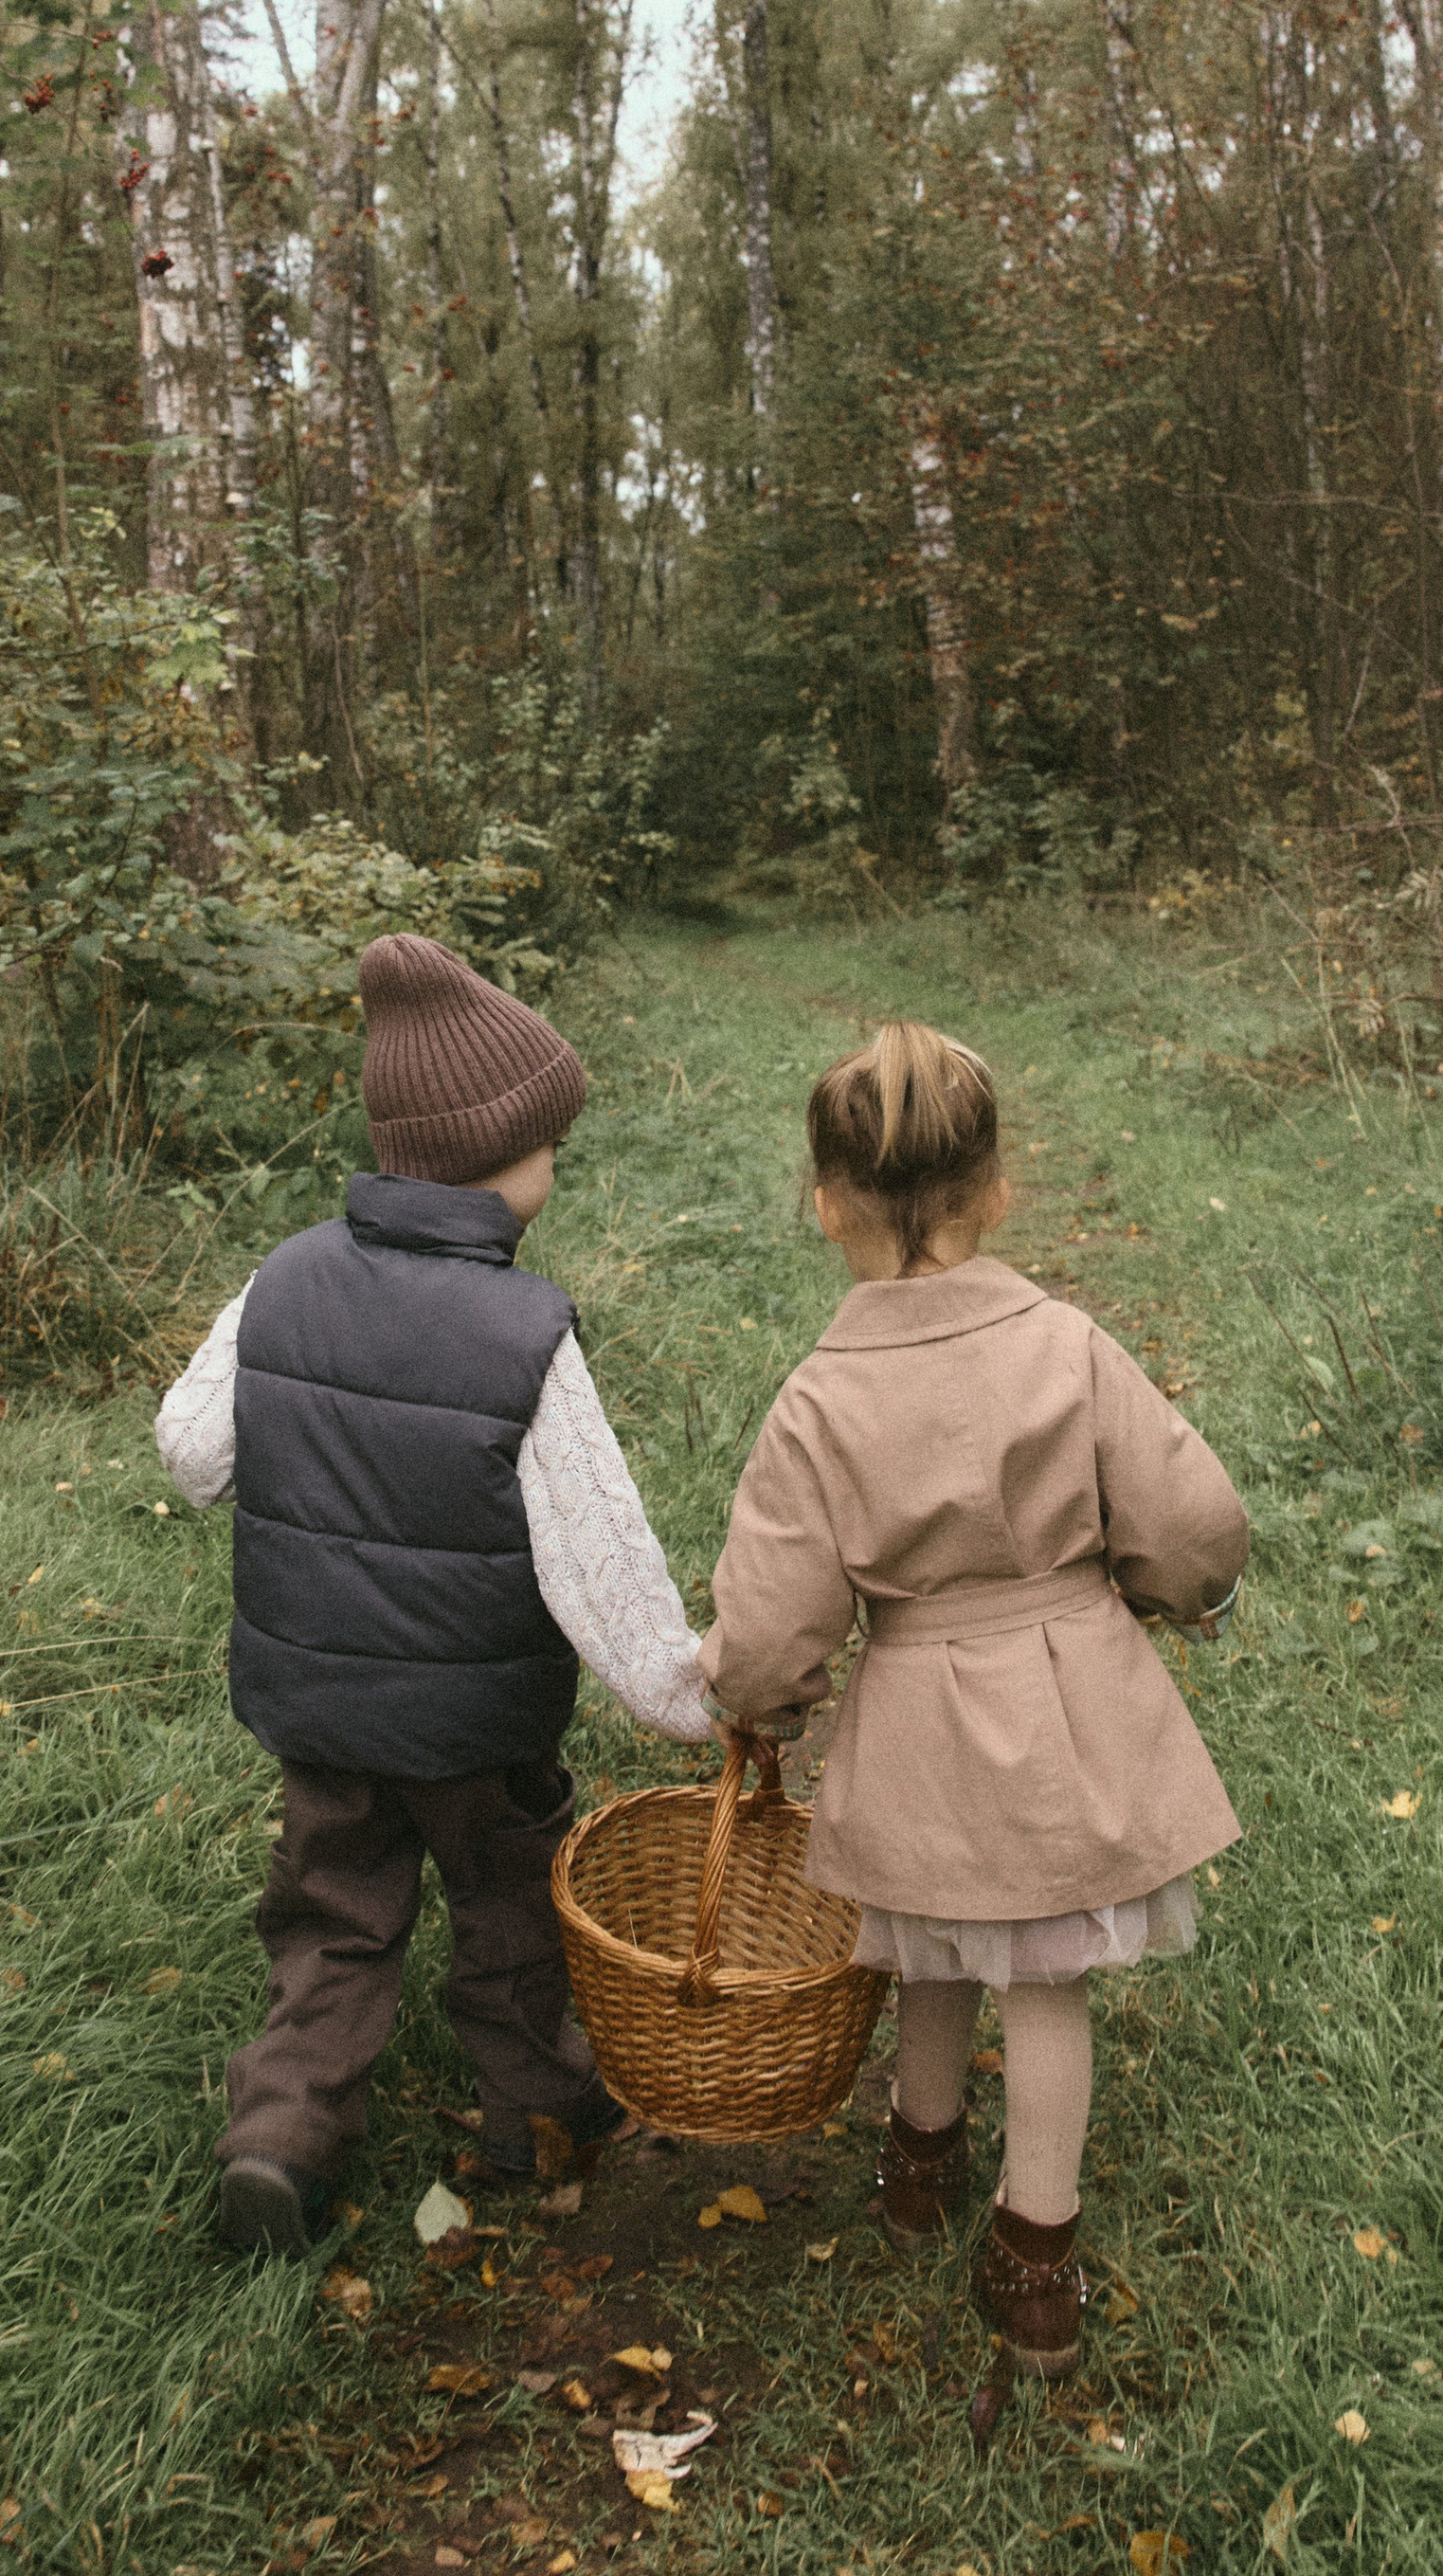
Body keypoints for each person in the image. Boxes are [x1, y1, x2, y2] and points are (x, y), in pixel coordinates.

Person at [698, 1022, 1246, 2405]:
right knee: (1045, 1972)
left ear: (824, 1205)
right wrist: (1181, 1589)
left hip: (921, 1712)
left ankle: (919, 2159)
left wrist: (761, 1700)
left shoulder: (822, 1399)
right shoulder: (1066, 1343)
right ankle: (1038, 2255)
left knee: (930, 1932)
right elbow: (1190, 1517)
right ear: (997, 1189)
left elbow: (772, 1611)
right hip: (1067, 1703)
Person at [156, 933, 712, 2255]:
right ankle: (541, 2108)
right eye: (549, 1140)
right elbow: (596, 1549)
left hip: (321, 1706)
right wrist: (684, 1689)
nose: (556, 1164)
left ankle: (281, 2133)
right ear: (498, 1158)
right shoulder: (525, 1332)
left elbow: (192, 1451)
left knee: (332, 1913)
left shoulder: (283, 1280)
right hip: (479, 1726)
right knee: (512, 1902)